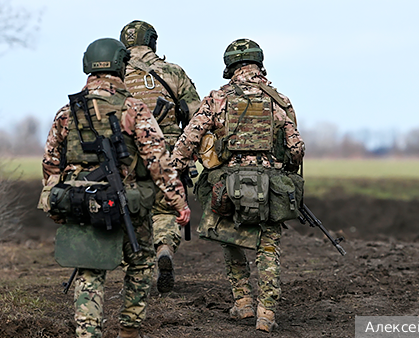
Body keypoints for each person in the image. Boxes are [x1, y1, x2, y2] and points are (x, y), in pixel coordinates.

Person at [40, 37, 190, 338]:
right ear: (121, 66)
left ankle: (87, 333)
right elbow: (157, 160)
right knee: (140, 261)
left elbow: (51, 163)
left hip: (81, 202)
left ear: (88, 67)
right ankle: (129, 331)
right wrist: (178, 203)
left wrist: (55, 201)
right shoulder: (134, 109)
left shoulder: (67, 111)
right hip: (128, 203)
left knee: (88, 270)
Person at [170, 38, 305, 332]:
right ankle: (266, 313)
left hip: (227, 185)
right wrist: (286, 170)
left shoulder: (218, 99)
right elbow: (296, 148)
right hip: (269, 184)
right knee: (268, 248)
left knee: (230, 238)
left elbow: (190, 139)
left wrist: (173, 169)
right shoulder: (279, 101)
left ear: (229, 67)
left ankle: (242, 302)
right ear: (259, 64)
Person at [119, 20, 201, 294]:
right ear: (153, 41)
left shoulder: (117, 74)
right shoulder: (172, 72)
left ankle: (134, 273)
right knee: (166, 207)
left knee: (130, 207)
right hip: (168, 150)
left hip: (128, 153)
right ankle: (164, 248)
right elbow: (195, 112)